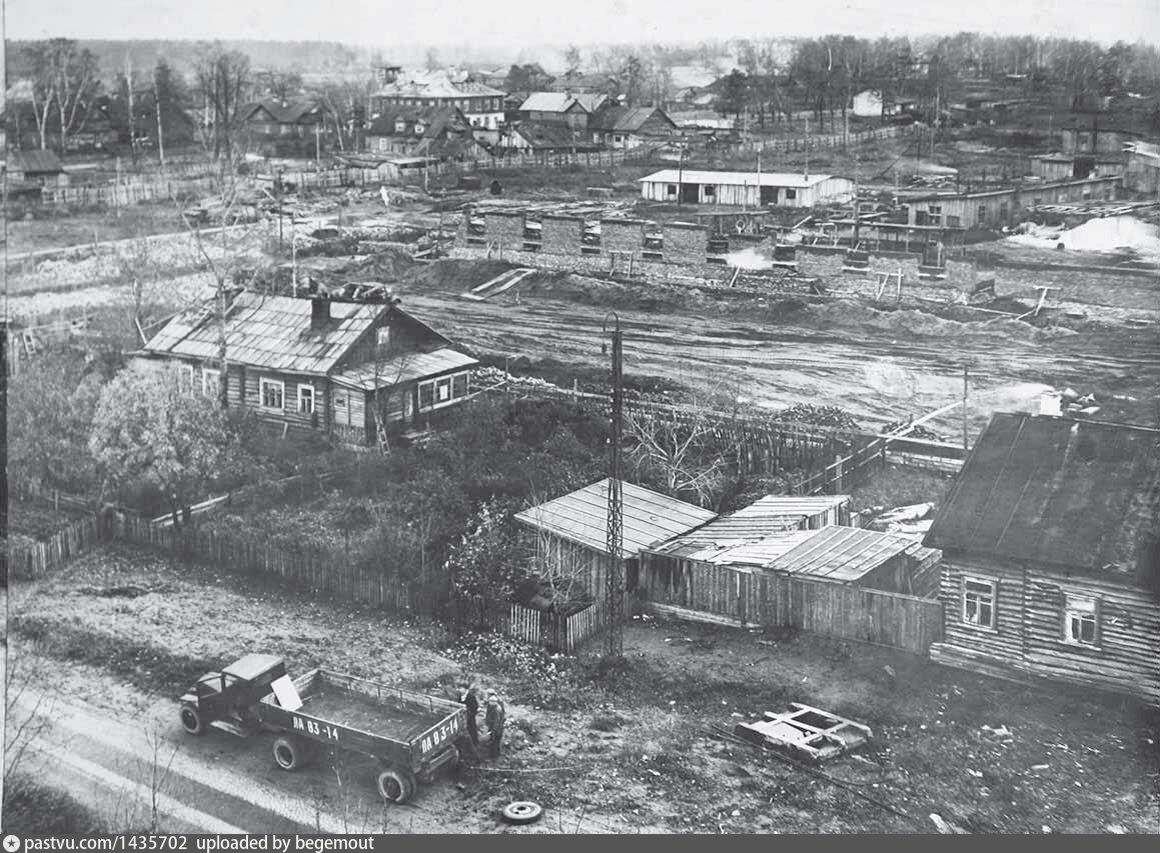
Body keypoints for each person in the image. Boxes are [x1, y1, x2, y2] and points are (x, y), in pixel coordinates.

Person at [484, 690, 506, 758]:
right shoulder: (493, 706)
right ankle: (495, 755)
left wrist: (492, 730)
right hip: (495, 727)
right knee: (495, 742)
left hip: (497, 729)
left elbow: (497, 721)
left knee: (495, 742)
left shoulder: (496, 709)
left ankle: (494, 756)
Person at [460, 684, 481, 752]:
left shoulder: (471, 696)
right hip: (463, 716)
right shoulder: (461, 696)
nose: (460, 690)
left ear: (465, 689)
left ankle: (475, 743)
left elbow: (475, 706)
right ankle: (467, 745)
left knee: (472, 729)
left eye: (461, 688)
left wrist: (470, 713)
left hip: (470, 716)